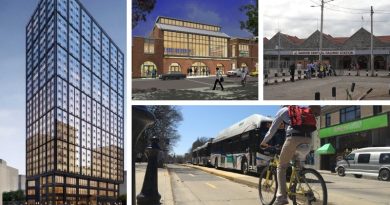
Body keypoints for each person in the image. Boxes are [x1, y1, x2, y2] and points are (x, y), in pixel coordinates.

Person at [260, 106, 319, 205]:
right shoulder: (300, 111)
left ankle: (281, 197)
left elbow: (272, 130)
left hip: (293, 139)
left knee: (281, 167)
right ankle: (298, 188)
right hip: (308, 141)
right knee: (297, 168)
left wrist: (263, 142)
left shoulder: (283, 111)